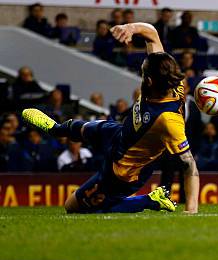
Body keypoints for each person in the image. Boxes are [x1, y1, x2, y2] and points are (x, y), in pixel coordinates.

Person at [22, 22, 199, 214]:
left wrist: (191, 209)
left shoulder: (168, 120)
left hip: (125, 168)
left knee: (73, 207)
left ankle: (152, 200)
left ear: (149, 80)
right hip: (117, 132)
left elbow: (189, 165)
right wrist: (131, 28)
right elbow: (152, 34)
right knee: (78, 128)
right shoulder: (164, 74)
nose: (141, 69)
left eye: (143, 69)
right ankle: (55, 129)